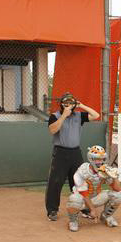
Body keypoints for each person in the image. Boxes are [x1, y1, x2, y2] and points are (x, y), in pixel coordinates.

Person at [45, 93, 100, 221]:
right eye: (66, 103)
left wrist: (82, 105)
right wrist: (64, 115)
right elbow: (52, 130)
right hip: (60, 153)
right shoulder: (55, 116)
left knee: (80, 181)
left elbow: (95, 115)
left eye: (71, 103)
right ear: (61, 104)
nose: (68, 105)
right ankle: (52, 210)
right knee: (55, 182)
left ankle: (85, 209)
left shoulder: (79, 116)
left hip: (75, 152)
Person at [66, 146, 121, 232]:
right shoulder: (83, 170)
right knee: (74, 198)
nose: (100, 162)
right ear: (91, 159)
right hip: (83, 200)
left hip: (96, 197)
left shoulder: (105, 170)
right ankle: (73, 221)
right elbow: (83, 193)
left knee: (117, 195)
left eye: (102, 159)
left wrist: (114, 177)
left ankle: (106, 216)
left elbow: (117, 189)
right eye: (97, 159)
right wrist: (92, 210)